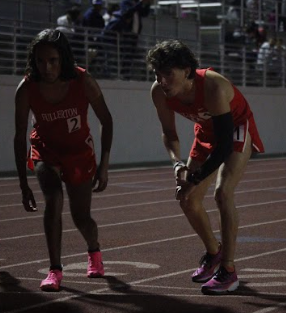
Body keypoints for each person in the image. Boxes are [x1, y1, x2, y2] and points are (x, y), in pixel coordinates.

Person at [146, 39, 264, 295]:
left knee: (222, 192)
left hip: (235, 127)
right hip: (206, 131)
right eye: (158, 74)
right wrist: (176, 163)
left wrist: (195, 177)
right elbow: (168, 132)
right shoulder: (159, 91)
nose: (162, 80)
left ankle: (229, 272)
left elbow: (223, 147)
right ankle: (214, 253)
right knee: (187, 199)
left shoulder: (213, 85)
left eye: (168, 74)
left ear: (187, 70)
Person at [14, 28, 113, 292]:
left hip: (79, 152)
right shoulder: (26, 88)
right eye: (40, 61)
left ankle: (94, 252)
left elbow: (106, 120)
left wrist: (104, 166)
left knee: (81, 218)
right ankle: (55, 270)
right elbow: (18, 136)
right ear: (33, 61)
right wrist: (23, 184)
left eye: (53, 61)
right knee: (53, 201)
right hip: (45, 151)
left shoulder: (83, 81)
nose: (46, 67)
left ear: (63, 59)